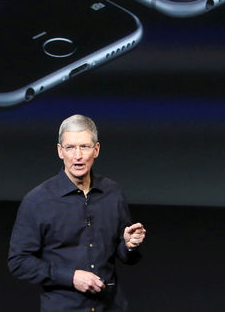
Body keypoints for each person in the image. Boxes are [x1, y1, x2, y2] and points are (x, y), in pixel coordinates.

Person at [8, 114, 146, 311]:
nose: (78, 156)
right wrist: (71, 277)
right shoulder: (38, 200)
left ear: (96, 150)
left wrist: (129, 245)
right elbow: (19, 261)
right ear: (60, 151)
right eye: (70, 148)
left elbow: (124, 256)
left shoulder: (113, 193)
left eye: (84, 146)